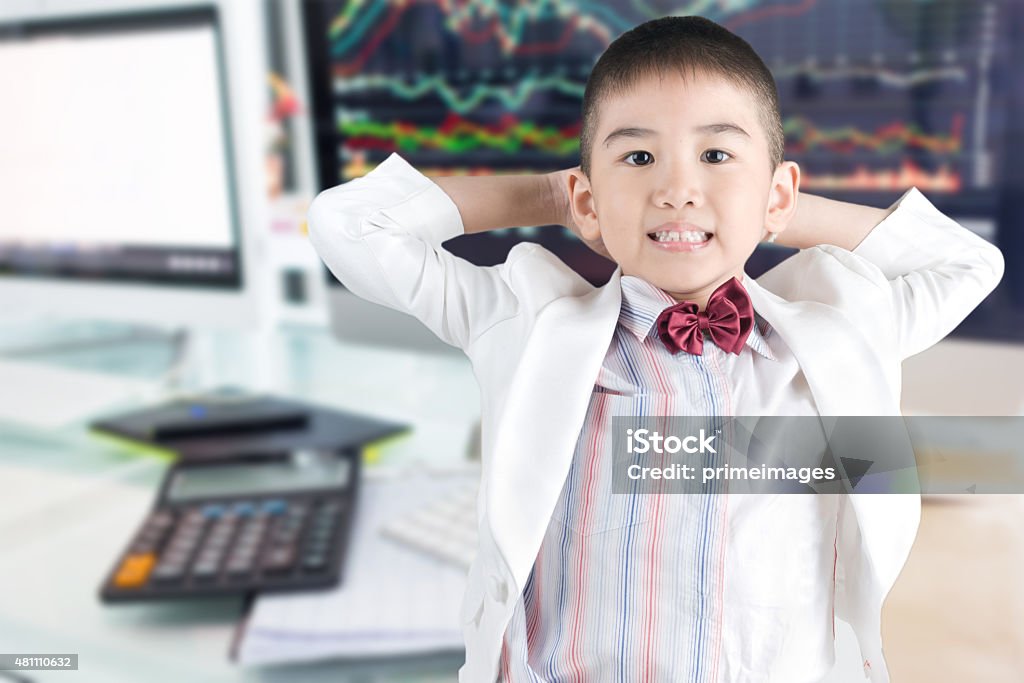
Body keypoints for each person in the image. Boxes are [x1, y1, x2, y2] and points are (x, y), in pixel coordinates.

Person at [307, 15, 1003, 683]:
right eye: (638, 157)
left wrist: (771, 207)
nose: (676, 190)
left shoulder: (832, 337)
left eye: (716, 155)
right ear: (586, 201)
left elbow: (969, 264)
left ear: (777, 191)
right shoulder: (523, 325)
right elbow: (349, 226)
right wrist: (557, 193)